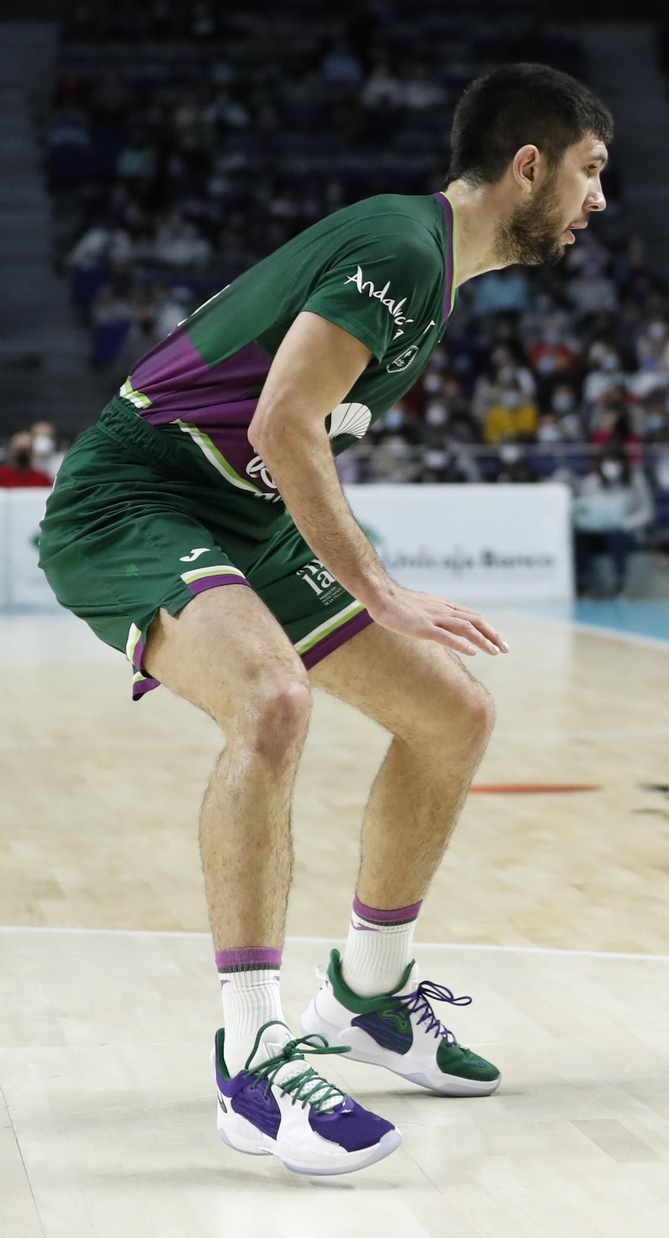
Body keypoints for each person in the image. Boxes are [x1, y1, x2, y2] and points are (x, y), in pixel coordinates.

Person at [35, 63, 612, 1176]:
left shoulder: (431, 268)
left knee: (450, 712)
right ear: (527, 166)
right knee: (273, 698)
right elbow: (283, 421)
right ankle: (252, 1045)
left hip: (237, 506)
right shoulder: (403, 248)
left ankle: (369, 996)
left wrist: (358, 576)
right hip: (137, 494)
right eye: (588, 172)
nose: (597, 202)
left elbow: (285, 435)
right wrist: (378, 586)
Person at [572, 446, 654, 595]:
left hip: (625, 534)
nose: (611, 466)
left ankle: (620, 583)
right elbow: (582, 509)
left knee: (616, 536)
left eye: (615, 462)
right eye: (608, 462)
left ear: (623, 463)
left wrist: (626, 523)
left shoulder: (636, 482)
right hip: (596, 534)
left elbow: (647, 513)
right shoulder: (592, 482)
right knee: (579, 537)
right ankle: (584, 584)